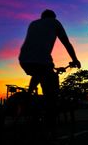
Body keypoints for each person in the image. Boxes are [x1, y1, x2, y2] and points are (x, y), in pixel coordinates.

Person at [18, 9, 81, 138]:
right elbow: (66, 43)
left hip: (24, 59)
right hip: (42, 60)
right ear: (53, 17)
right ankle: (51, 130)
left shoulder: (33, 23)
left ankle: (28, 99)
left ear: (42, 17)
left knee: (38, 73)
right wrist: (75, 59)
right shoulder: (55, 22)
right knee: (51, 95)